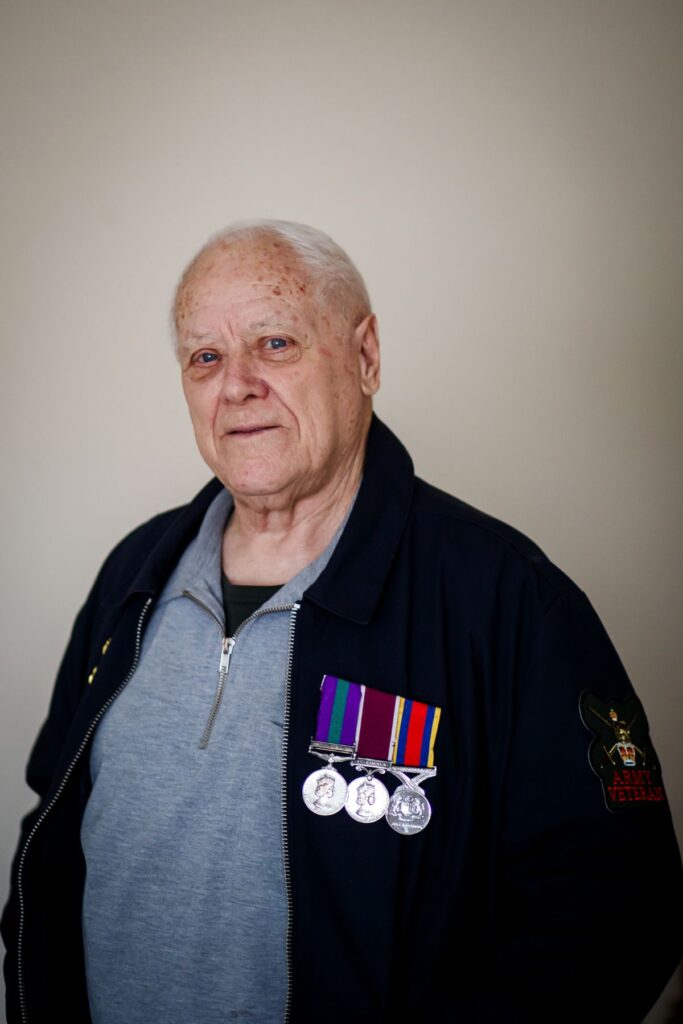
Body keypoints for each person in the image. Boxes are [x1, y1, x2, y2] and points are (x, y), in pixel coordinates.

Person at [2, 219, 682, 1024]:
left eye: (276, 343)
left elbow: (614, 904)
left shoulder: (505, 599)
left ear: (365, 357)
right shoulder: (134, 574)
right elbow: (52, 833)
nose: (237, 384)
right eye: (205, 357)